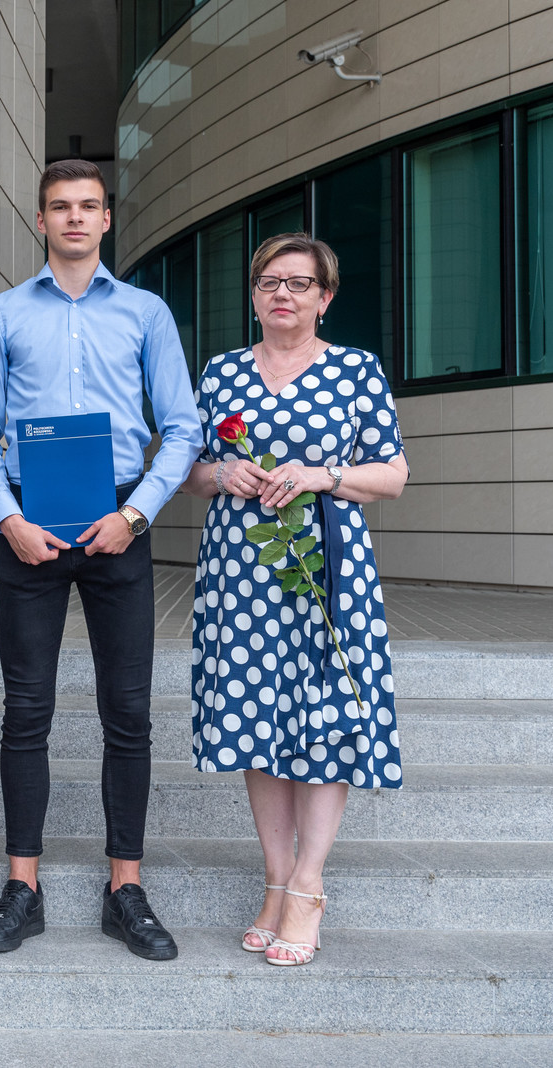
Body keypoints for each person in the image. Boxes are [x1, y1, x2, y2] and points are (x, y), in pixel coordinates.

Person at [0, 160, 204, 960]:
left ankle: (124, 888)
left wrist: (135, 515)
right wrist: (7, 519)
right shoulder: (1, 315)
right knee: (25, 711)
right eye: (60, 207)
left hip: (117, 520)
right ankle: (22, 888)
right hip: (29, 522)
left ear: (106, 219)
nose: (74, 217)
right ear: (40, 221)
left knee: (127, 713)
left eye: (88, 206)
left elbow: (183, 427)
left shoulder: (145, 313)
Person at [179, 233, 408, 967]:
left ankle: (308, 886)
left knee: (327, 716)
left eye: (300, 284)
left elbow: (394, 474)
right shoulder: (220, 372)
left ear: (325, 298)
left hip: (327, 569)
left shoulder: (356, 370)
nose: (283, 293)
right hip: (242, 569)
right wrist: (224, 474)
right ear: (253, 295)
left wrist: (322, 475)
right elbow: (191, 470)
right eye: (270, 282)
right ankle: (276, 881)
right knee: (257, 717)